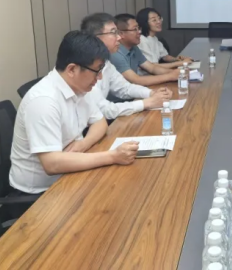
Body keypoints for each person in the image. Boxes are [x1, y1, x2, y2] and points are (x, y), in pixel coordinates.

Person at [9, 31, 140, 195]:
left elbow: (100, 122)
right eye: (97, 70)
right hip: (39, 193)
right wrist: (113, 156)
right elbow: (52, 164)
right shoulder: (43, 101)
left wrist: (83, 143)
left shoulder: (80, 87)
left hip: (71, 175)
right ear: (72, 69)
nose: (99, 77)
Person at [81, 13, 173, 120]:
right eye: (113, 33)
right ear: (96, 38)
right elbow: (105, 110)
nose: (119, 37)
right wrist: (147, 103)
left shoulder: (106, 63)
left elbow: (125, 88)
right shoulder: (85, 67)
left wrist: (152, 93)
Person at [111, 14, 180, 86]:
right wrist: (170, 76)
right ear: (121, 34)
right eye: (135, 29)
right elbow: (136, 80)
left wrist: (177, 73)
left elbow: (152, 68)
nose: (139, 32)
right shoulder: (115, 53)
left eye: (138, 28)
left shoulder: (134, 48)